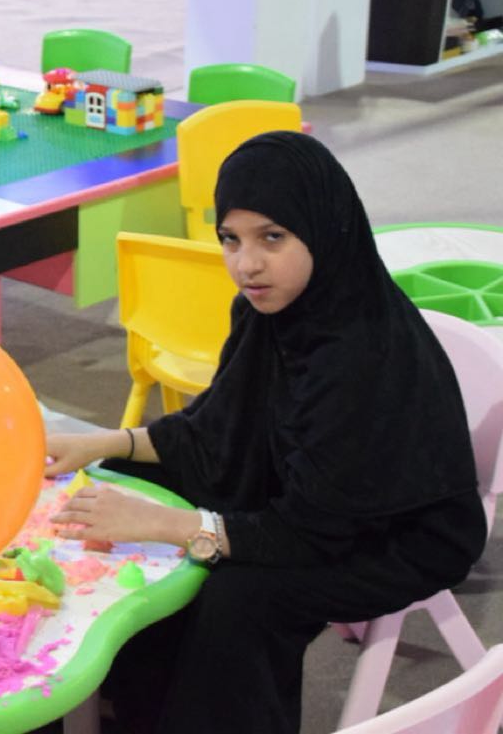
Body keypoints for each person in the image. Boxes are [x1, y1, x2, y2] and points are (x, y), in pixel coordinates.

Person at [45, 132, 486, 734]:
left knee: (241, 596)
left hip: (392, 534)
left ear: (323, 229)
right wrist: (106, 443)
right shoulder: (266, 309)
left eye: (271, 237)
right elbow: (215, 431)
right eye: (231, 238)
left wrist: (172, 526)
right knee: (125, 479)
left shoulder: (358, 355)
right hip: (304, 490)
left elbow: (314, 533)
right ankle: (127, 697)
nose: (246, 264)